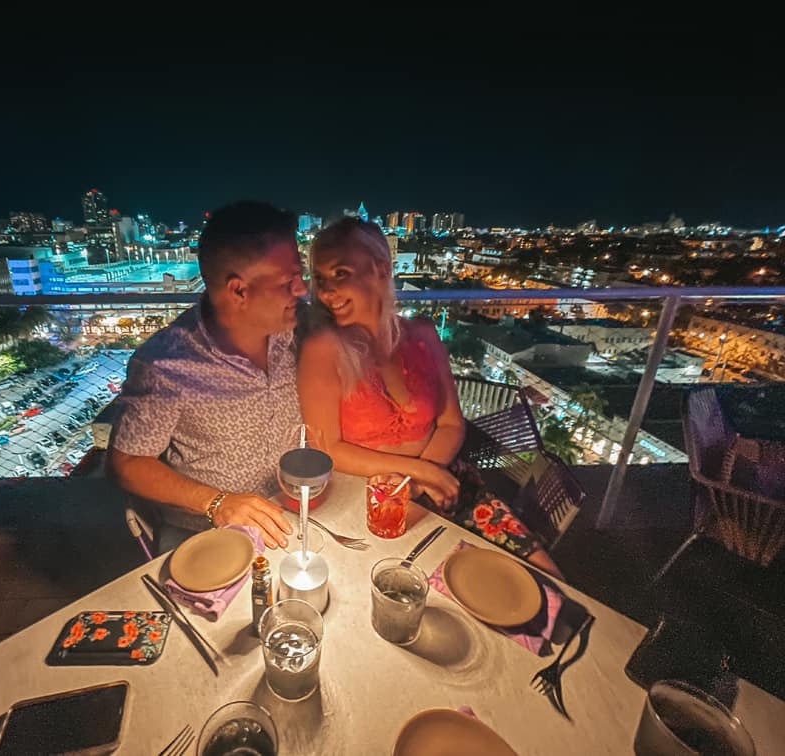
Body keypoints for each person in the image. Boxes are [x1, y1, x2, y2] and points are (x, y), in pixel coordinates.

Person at [297, 218, 562, 578]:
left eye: (341, 274)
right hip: (372, 498)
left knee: (545, 583)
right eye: (321, 279)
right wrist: (416, 474)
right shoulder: (322, 350)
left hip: (447, 483)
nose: (327, 293)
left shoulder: (422, 334)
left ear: (381, 269)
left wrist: (425, 482)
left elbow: (452, 423)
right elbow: (327, 447)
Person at [109, 201, 306, 550]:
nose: (302, 289)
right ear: (238, 291)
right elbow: (127, 463)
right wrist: (218, 503)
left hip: (291, 512)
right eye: (287, 281)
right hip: (207, 535)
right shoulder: (165, 365)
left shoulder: (293, 330)